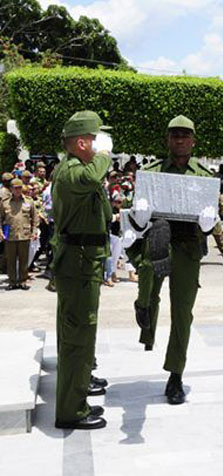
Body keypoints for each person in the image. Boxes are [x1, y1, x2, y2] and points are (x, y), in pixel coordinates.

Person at [126, 115, 218, 404]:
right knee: (148, 283)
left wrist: (208, 222)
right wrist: (138, 215)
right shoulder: (152, 173)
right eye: (174, 135)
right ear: (167, 140)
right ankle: (143, 306)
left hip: (188, 246)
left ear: (192, 141)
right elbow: (138, 220)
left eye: (184, 135)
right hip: (158, 241)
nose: (179, 140)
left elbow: (211, 221)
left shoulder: (204, 177)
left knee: (182, 314)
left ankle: (175, 375)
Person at [51, 110, 113, 430]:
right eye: (95, 138)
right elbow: (92, 178)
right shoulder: (73, 171)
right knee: (78, 335)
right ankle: (71, 411)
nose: (100, 142)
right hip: (78, 262)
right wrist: (103, 154)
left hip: (83, 260)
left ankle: (76, 395)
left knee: (77, 334)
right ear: (81, 143)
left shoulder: (74, 170)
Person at [0, 178, 38, 289]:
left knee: (24, 259)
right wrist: (1, 232)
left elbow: (34, 218)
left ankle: (22, 281)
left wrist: (34, 231)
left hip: (24, 234)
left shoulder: (28, 201)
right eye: (15, 188)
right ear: (11, 189)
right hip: (10, 234)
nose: (18, 190)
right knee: (10, 259)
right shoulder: (5, 202)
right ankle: (12, 281)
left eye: (20, 188)